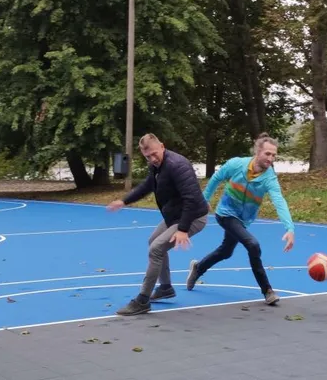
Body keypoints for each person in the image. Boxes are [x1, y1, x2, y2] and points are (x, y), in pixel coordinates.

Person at [186, 133, 295, 305]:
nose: (270, 158)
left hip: (243, 220)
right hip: (225, 213)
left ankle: (198, 268)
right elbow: (216, 178)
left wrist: (289, 228)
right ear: (257, 151)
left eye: (274, 155)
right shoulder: (236, 164)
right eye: (267, 154)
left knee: (226, 251)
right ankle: (267, 290)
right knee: (253, 244)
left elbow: (279, 201)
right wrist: (204, 200)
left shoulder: (269, 178)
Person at [108, 133, 208, 316]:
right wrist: (124, 201)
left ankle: (142, 301)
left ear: (162, 146)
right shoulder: (156, 166)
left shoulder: (178, 165)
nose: (152, 159)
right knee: (153, 241)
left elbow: (192, 199)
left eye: (154, 154)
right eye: (148, 157)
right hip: (175, 216)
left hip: (193, 217)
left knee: (156, 249)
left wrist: (183, 229)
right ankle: (165, 287)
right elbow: (147, 186)